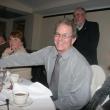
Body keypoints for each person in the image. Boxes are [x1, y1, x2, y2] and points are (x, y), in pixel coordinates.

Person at [0, 19, 92, 110]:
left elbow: (79, 100)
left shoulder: (81, 66)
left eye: (65, 35)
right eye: (57, 34)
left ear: (73, 39)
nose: (60, 39)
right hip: (49, 98)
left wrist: (50, 106)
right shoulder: (49, 52)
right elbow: (26, 58)